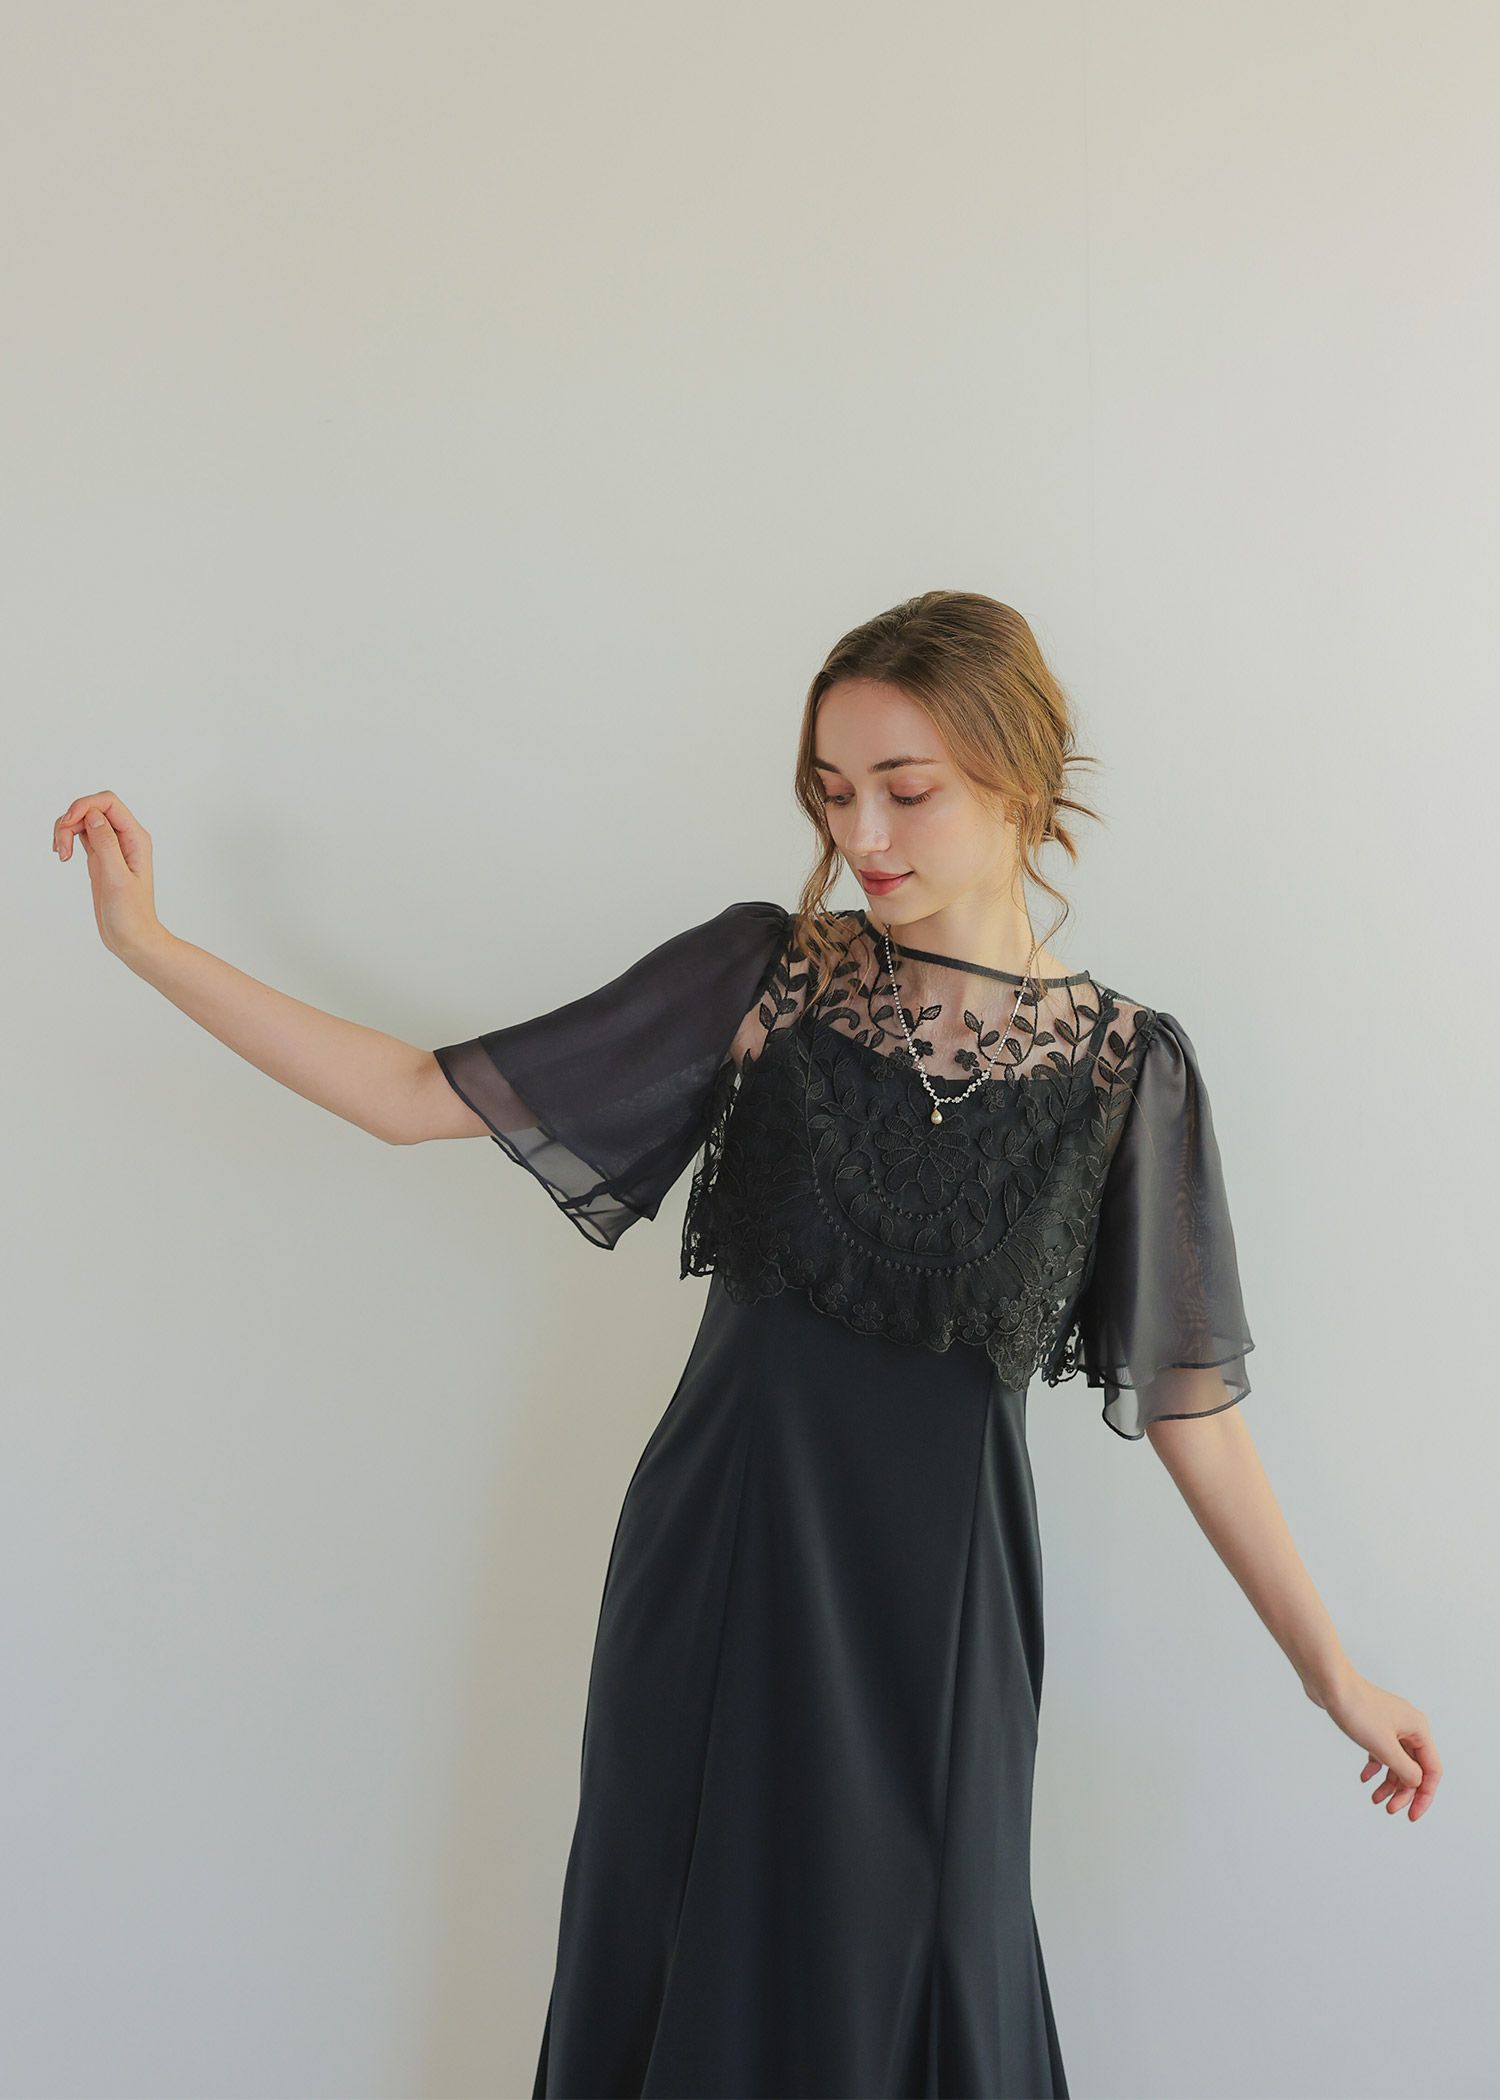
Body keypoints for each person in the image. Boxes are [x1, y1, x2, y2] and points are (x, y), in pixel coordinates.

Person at [53, 589, 1440, 2100]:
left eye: (905, 789)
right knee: (684, 1955)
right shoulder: (769, 980)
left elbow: (1193, 1408)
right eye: (833, 793)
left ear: (1019, 782)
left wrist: (1332, 1673)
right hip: (721, 1564)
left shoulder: (1126, 1071)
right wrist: (148, 945)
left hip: (944, 1621)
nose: (864, 835)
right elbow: (411, 1095)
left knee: (928, 1975)